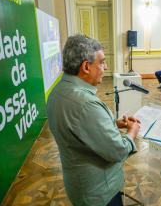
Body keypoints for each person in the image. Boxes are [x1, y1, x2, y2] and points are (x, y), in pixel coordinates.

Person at [47, 35, 140, 206]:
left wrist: (113, 123)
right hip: (100, 192)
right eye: (102, 62)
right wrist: (132, 132)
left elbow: (79, 129)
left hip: (79, 185)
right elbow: (118, 151)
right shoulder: (86, 104)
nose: (106, 67)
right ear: (86, 67)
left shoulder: (57, 91)